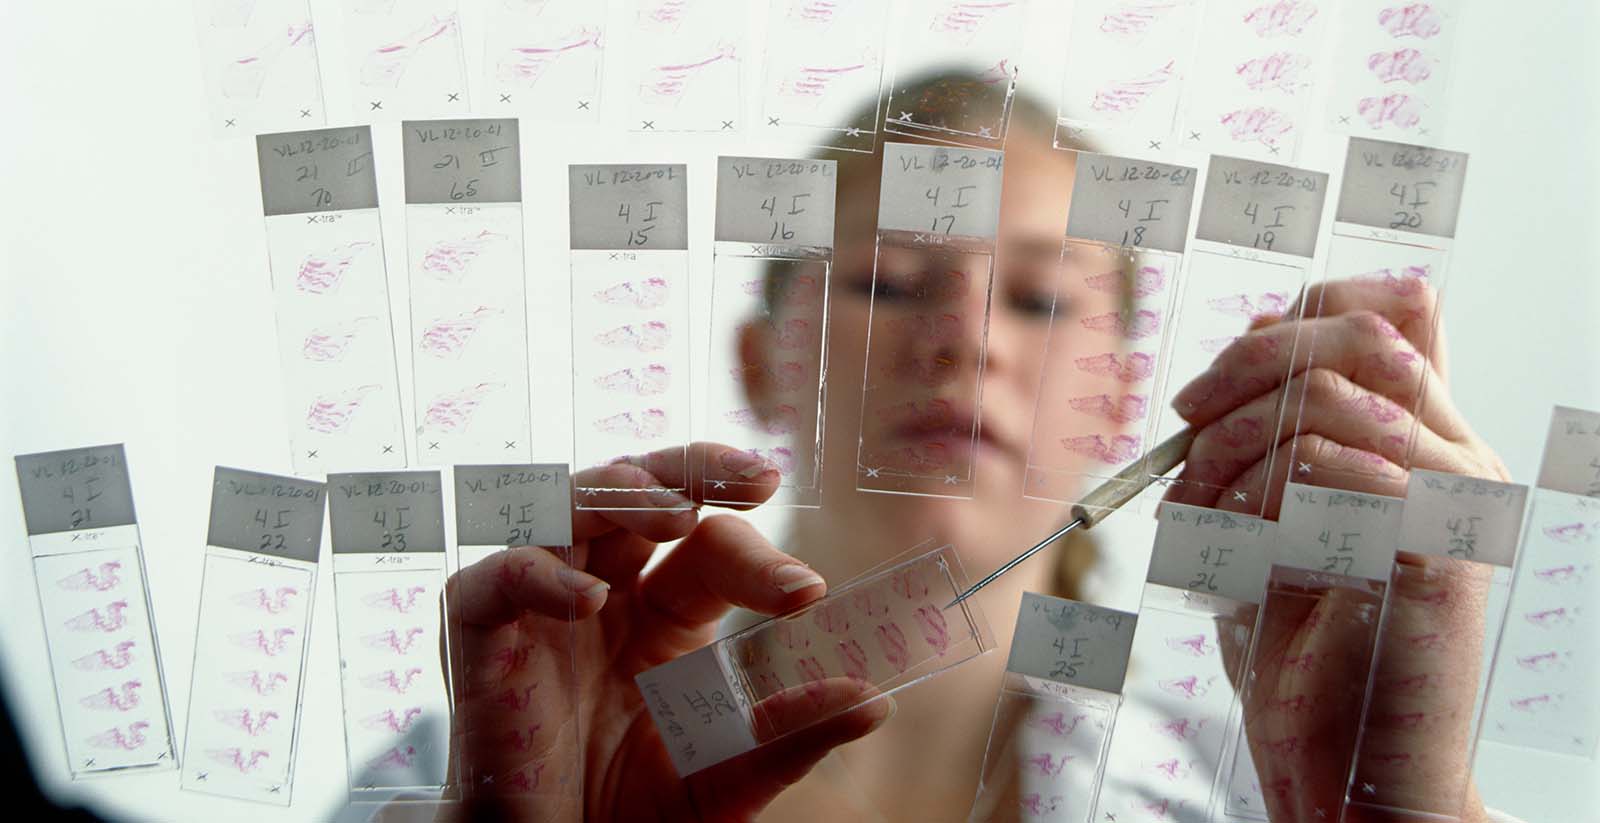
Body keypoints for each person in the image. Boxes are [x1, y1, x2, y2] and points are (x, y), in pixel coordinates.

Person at [432, 78, 1514, 823]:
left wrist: (1397, 804)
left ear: (1117, 402)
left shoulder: (1255, 797)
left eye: (1040, 300)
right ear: (763, 361)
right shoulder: (490, 772)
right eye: (886, 283)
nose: (967, 339)